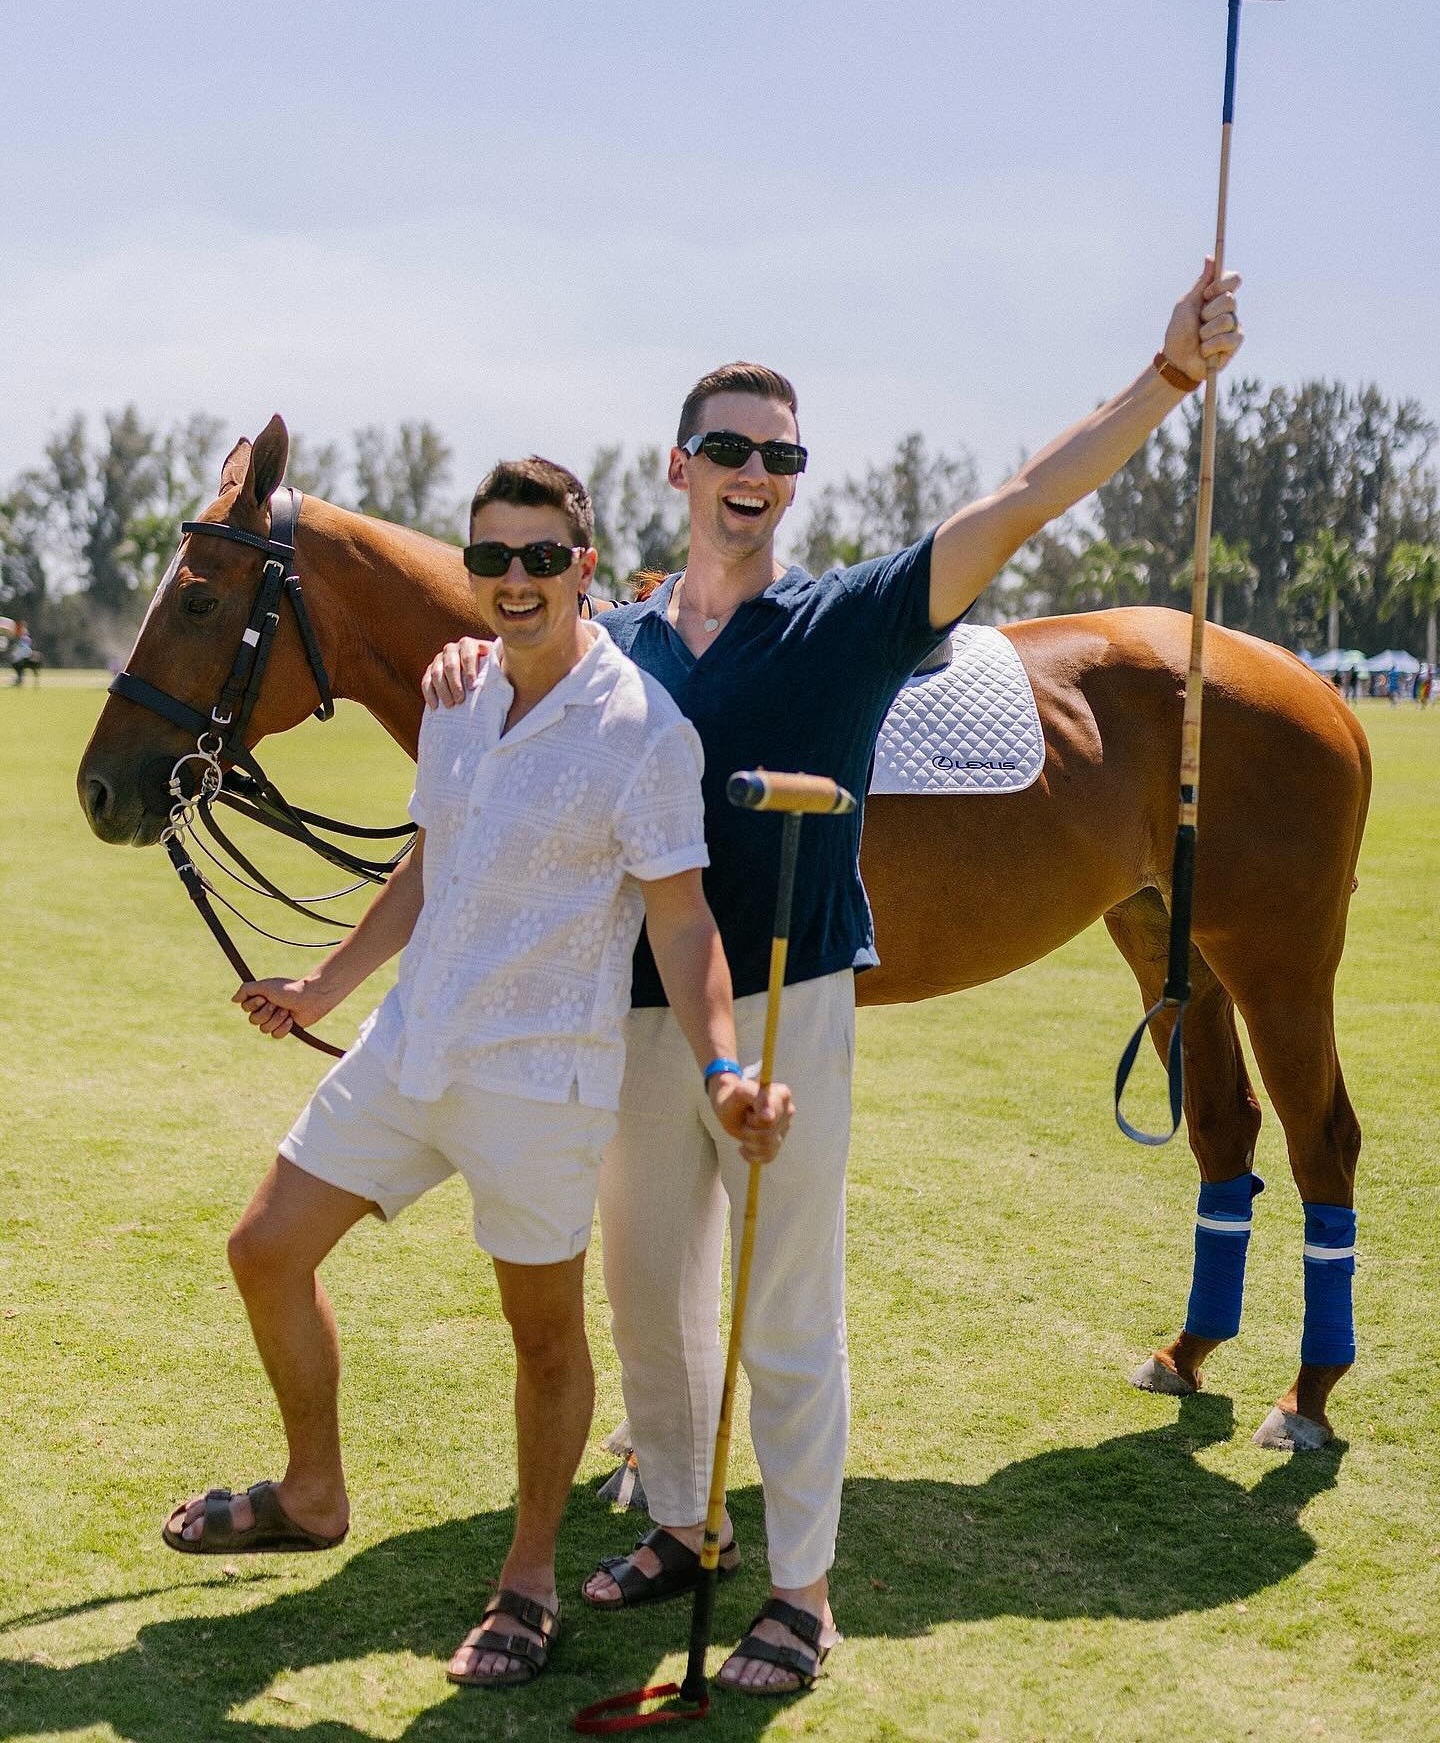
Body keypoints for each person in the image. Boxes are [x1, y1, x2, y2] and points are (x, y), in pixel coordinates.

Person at [423, 263, 1245, 1695]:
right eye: (730, 448)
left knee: (784, 1302)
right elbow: (503, 653)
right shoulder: (608, 644)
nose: (755, 474)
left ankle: (800, 1593)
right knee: (647, 1290)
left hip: (794, 1001)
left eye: (781, 456)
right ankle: (684, 1522)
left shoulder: (854, 619)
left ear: (796, 483)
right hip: (638, 1004)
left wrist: (1165, 381)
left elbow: (1026, 498)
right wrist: (461, 656)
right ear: (678, 467)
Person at [161, 456, 793, 1694]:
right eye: (492, 558)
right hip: (411, 1046)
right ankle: (313, 1490)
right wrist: (320, 991)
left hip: (541, 1077)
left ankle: (530, 1580)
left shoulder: (646, 734)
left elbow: (683, 924)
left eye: (541, 557)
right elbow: (426, 866)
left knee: (543, 1338)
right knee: (264, 1251)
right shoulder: (456, 699)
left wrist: (725, 1068)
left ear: (584, 570)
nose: (515, 580)